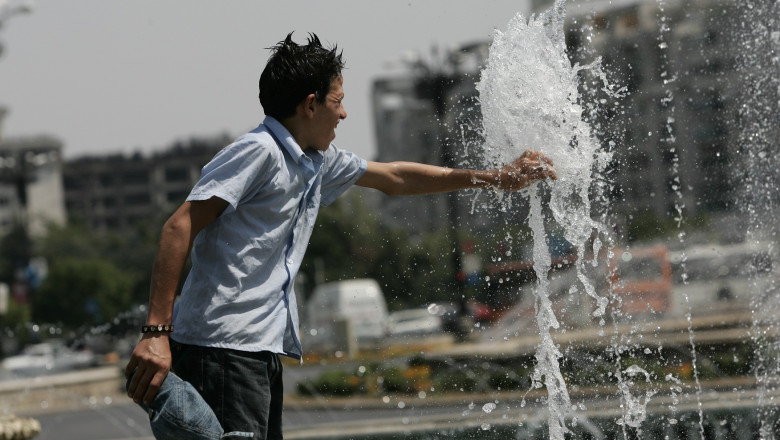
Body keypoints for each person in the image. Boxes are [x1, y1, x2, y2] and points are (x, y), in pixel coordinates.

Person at [125, 32, 556, 439]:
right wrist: (156, 332)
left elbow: (395, 177)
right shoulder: (258, 152)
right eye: (339, 101)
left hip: (255, 350)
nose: (345, 113)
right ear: (311, 105)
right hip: (220, 347)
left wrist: (496, 178)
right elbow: (179, 225)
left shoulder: (315, 161)